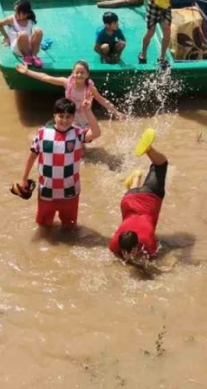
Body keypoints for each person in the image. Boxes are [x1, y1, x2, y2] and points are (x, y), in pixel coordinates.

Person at [19, 98, 102, 229]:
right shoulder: (42, 134)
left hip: (70, 191)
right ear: (54, 116)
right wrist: (23, 179)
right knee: (44, 226)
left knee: (70, 226)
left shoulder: (77, 134)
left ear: (73, 117)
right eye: (61, 116)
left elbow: (96, 133)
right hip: (46, 191)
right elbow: (32, 157)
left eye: (68, 117)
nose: (64, 120)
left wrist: (87, 111)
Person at [110, 130, 168, 261]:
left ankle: (148, 150)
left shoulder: (145, 240)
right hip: (128, 200)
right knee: (161, 164)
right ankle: (136, 175)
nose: (129, 254)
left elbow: (153, 259)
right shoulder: (143, 240)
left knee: (161, 165)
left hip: (149, 199)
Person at [15, 60, 124, 129]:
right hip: (69, 115)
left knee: (81, 143)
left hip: (83, 117)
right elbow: (46, 78)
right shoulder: (67, 83)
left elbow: (101, 99)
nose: (79, 75)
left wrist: (116, 112)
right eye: (77, 72)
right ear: (72, 73)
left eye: (82, 72)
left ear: (87, 75)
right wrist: (27, 72)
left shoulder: (89, 88)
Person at [0, 0, 44, 68]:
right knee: (23, 34)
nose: (15, 14)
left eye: (18, 12)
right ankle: (26, 57)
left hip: (29, 46)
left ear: (26, 14)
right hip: (18, 48)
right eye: (15, 11)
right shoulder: (11, 19)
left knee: (38, 31)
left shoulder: (30, 19)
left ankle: (34, 56)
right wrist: (6, 37)